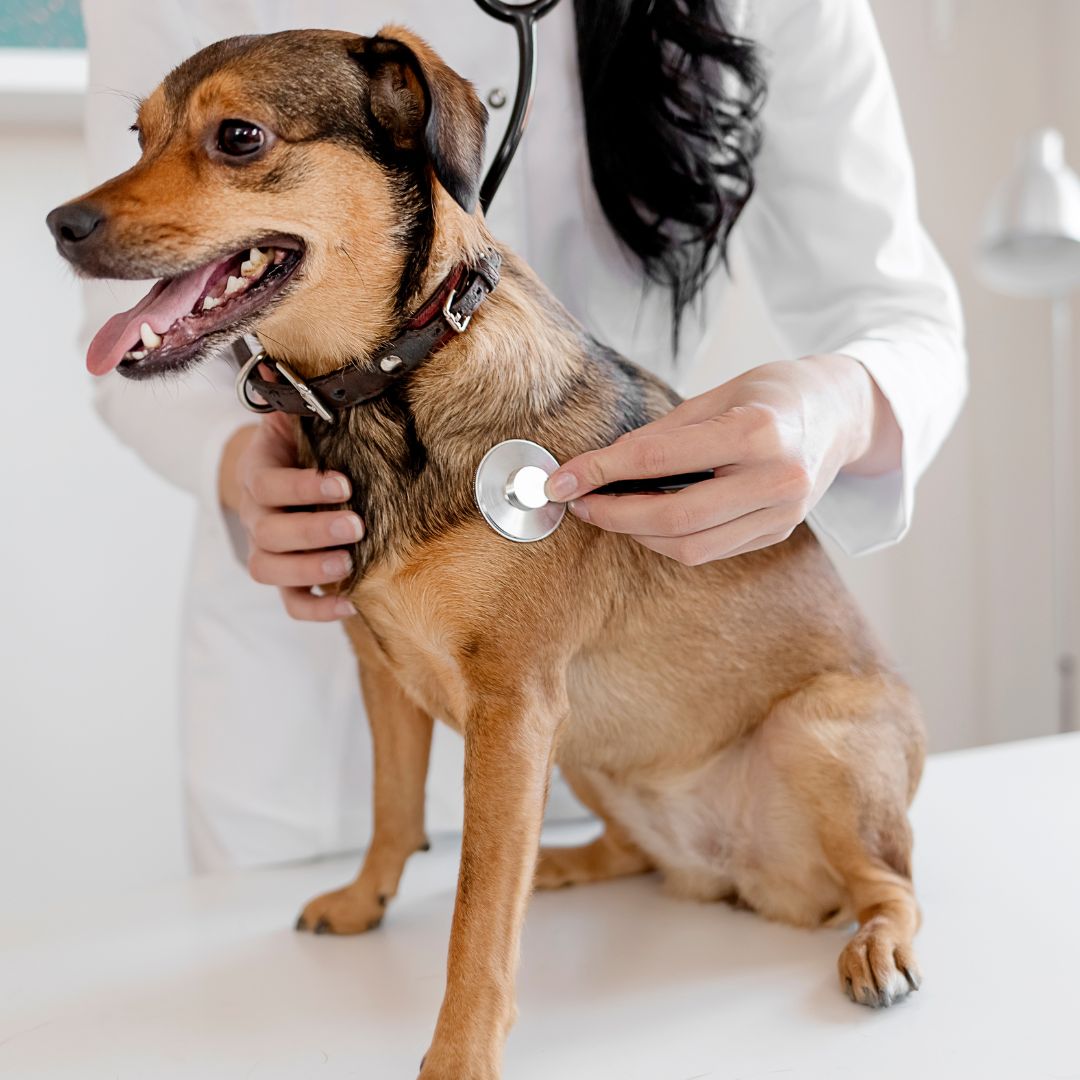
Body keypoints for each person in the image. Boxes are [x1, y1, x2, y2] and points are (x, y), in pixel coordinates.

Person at [80, 0, 966, 872]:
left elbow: (900, 312)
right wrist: (234, 462)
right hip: (299, 753)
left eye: (238, 138)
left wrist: (834, 409)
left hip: (642, 701)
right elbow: (122, 328)